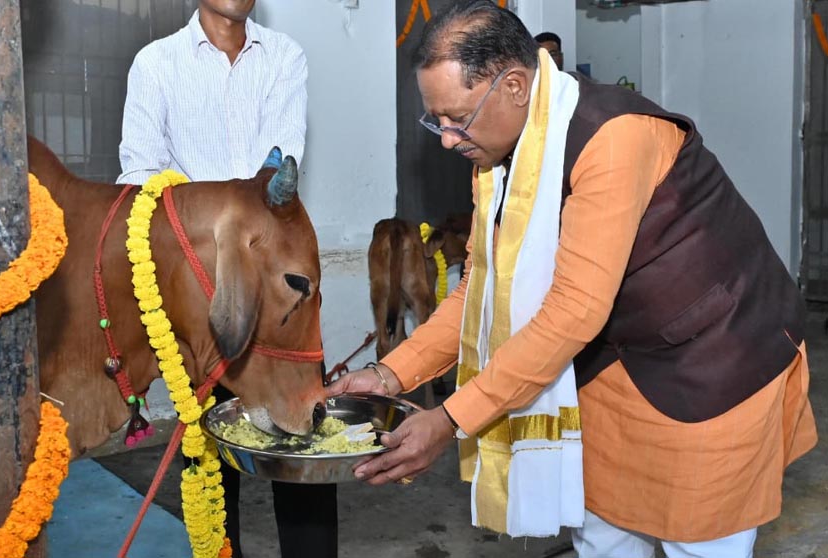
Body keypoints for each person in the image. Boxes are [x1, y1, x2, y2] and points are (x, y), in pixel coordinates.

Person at [328, 2, 816, 557]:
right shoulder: (497, 161)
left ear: (515, 86)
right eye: (435, 120)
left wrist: (451, 418)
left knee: (700, 542)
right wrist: (390, 374)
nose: (445, 138)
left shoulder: (613, 137)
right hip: (609, 368)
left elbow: (574, 309)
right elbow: (479, 290)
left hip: (713, 361)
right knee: (603, 536)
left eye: (455, 118)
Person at [118, 2, 338, 558]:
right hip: (201, 298)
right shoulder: (155, 64)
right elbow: (140, 181)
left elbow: (281, 166)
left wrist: (238, 213)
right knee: (210, 465)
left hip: (278, 296)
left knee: (304, 449)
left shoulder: (284, 56)